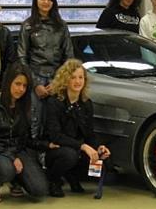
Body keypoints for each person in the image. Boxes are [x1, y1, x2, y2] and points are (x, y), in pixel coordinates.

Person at [0, 63, 51, 202]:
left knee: (40, 190)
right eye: (17, 84)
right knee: (5, 168)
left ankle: (15, 181)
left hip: (17, 152)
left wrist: (47, 145)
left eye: (24, 86)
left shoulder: (25, 106)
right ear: (8, 82)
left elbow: (26, 140)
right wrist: (11, 156)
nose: (20, 89)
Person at [45, 59, 111, 197]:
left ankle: (72, 175)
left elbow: (90, 133)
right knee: (70, 156)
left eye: (81, 77)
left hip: (79, 148)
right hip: (58, 150)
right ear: (65, 80)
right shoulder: (54, 102)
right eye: (73, 77)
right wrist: (82, 146)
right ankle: (54, 181)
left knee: (104, 161)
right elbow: (55, 136)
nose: (77, 81)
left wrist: (98, 148)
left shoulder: (86, 103)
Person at [17, 0, 73, 140]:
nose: (46, 2)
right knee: (34, 121)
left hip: (57, 80)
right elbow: (22, 58)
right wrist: (35, 84)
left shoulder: (62, 26)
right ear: (36, 1)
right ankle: (34, 158)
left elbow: (69, 57)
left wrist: (58, 82)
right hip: (35, 79)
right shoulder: (27, 26)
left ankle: (52, 158)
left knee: (56, 122)